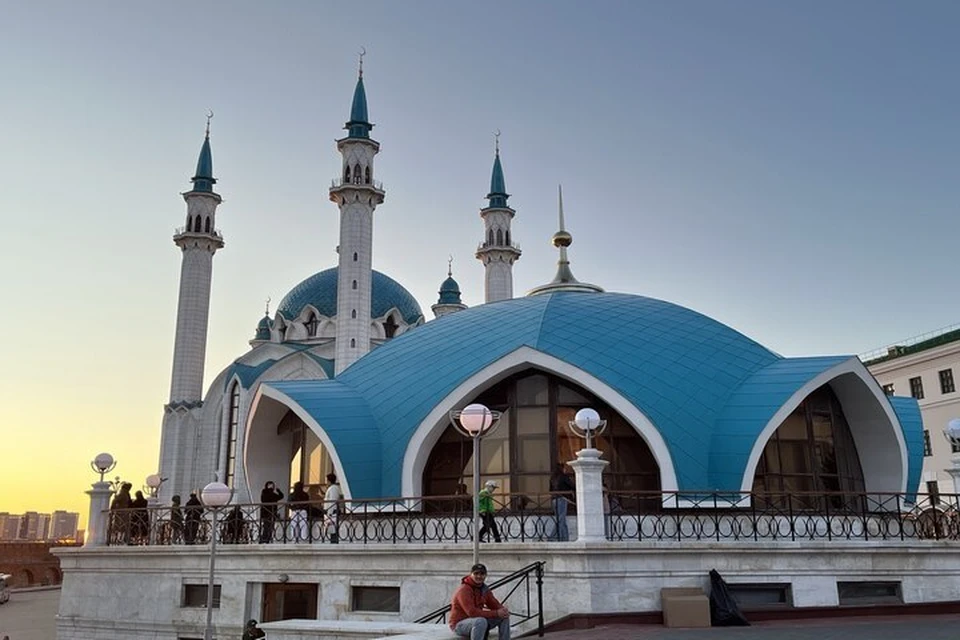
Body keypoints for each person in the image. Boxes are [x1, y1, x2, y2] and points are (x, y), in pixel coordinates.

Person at [449, 563, 510, 640]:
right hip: (459, 625)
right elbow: (472, 612)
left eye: (482, 574)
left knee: (503, 617)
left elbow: (494, 604)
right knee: (480, 621)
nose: (479, 576)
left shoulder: (484, 588)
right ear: (471, 574)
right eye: (476, 573)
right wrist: (496, 613)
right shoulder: (464, 590)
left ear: (486, 575)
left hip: (477, 621)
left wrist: (503, 610)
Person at [549, 463, 576, 541]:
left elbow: (550, 490)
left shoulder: (552, 478)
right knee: (561, 520)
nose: (565, 470)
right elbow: (572, 485)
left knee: (561, 520)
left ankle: (564, 538)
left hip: (554, 500)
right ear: (561, 469)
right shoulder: (563, 476)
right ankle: (553, 538)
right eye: (564, 468)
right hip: (562, 499)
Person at [324, 473, 343, 544]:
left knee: (333, 529)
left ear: (329, 481)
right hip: (331, 512)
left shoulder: (333, 488)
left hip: (332, 513)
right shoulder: (332, 488)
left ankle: (334, 543)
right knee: (331, 530)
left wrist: (329, 513)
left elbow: (332, 501)